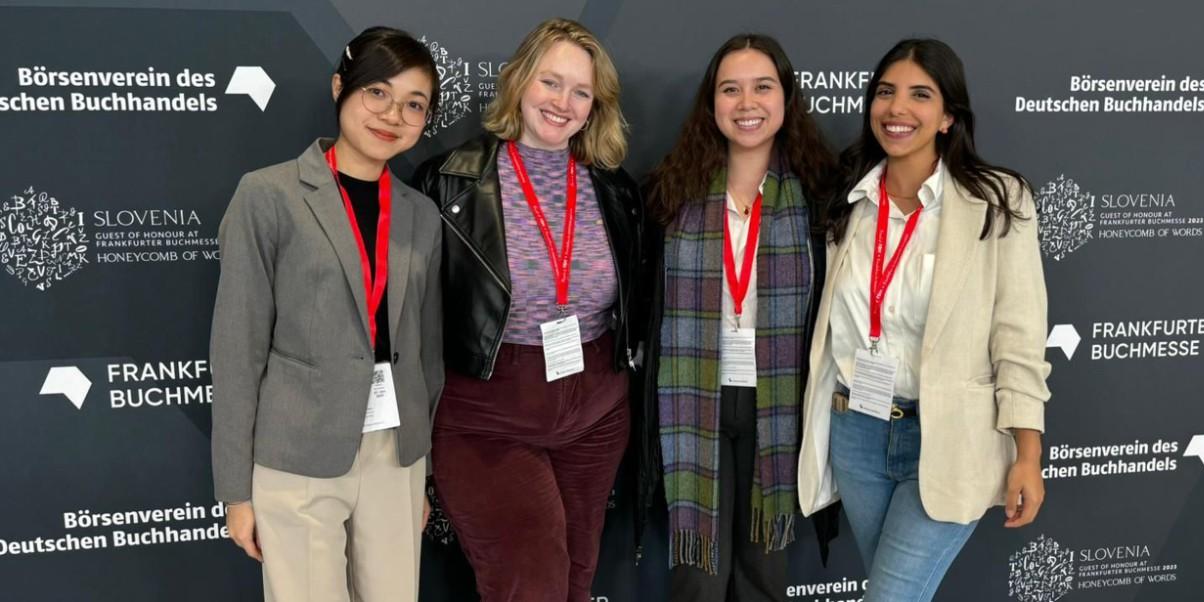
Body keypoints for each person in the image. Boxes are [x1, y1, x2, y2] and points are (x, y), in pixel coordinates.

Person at [796, 38, 1051, 601]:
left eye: (920, 94)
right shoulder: (848, 196)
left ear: (947, 116)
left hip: (949, 437)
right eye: (885, 93)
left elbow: (1020, 340)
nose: (897, 109)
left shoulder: (999, 202)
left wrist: (1028, 455)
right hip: (856, 432)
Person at [412, 18, 642, 602]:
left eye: (581, 91)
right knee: (528, 586)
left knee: (576, 579)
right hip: (488, 413)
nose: (562, 103)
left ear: (595, 107)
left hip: (596, 409)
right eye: (550, 82)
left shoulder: (615, 189)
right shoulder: (448, 181)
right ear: (518, 83)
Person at [209, 26, 443, 602]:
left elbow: (426, 351)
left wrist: (422, 472)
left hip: (394, 453)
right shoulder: (268, 196)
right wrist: (237, 494)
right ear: (341, 87)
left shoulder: (421, 214)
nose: (393, 115)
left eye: (414, 105)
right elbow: (236, 352)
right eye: (378, 93)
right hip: (299, 453)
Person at [639, 33, 836, 602]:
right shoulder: (670, 194)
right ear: (712, 103)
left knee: (764, 574)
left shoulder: (820, 197)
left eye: (762, 87)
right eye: (730, 89)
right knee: (697, 580)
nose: (746, 103)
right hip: (692, 396)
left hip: (780, 400)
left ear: (786, 98)